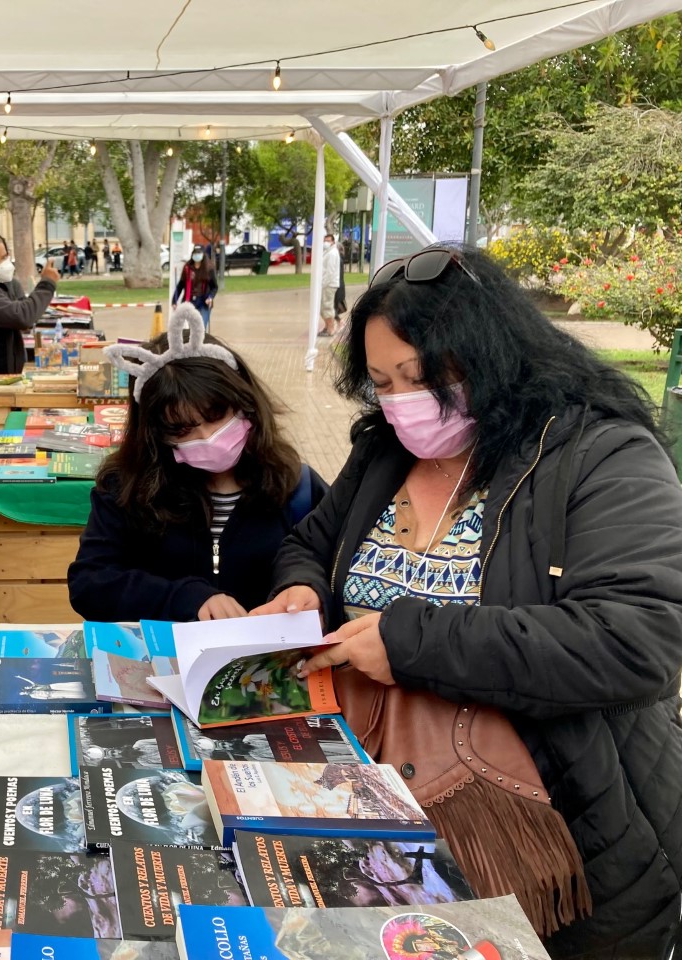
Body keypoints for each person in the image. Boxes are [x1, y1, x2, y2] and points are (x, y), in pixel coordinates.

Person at [257, 244, 682, 957]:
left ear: (496, 356)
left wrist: (410, 643)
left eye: (423, 378)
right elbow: (312, 541)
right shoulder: (385, 450)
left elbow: (635, 640)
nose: (403, 402)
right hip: (367, 798)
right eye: (383, 382)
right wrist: (299, 587)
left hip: (556, 825)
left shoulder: (601, 456)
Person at [68, 303, 327, 623]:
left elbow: (333, 563)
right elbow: (89, 583)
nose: (207, 436)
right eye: (181, 429)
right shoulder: (126, 488)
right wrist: (183, 597)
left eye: (216, 416)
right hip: (165, 651)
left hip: (272, 651)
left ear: (245, 403)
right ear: (155, 434)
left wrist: (308, 588)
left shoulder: (297, 486)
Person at [0, 232, 59, 374]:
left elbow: (22, 313)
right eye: (3, 258)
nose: (8, 262)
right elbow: (22, 316)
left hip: (4, 372)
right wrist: (47, 284)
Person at [171, 244, 219, 329]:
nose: (197, 255)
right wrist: (174, 301)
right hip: (190, 302)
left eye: (199, 253)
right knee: (193, 328)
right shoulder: (187, 268)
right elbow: (180, 285)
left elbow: (214, 287)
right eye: (195, 253)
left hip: (204, 302)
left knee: (201, 327)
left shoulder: (209, 268)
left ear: (203, 254)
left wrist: (210, 297)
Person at [318, 233, 341, 337]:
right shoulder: (328, 252)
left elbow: (330, 272)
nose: (326, 243)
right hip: (326, 283)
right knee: (323, 307)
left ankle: (330, 329)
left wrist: (323, 284)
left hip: (329, 284)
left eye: (328, 241)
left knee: (327, 307)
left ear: (333, 242)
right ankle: (327, 327)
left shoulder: (332, 253)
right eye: (325, 240)